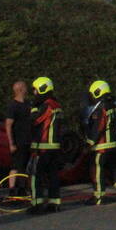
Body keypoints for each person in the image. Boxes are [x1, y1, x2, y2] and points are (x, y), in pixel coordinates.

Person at [83, 80, 116, 204]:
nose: (92, 97)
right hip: (112, 144)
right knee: (111, 167)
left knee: (97, 169)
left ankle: (98, 196)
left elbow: (98, 127)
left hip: (102, 145)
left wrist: (89, 143)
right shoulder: (112, 106)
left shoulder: (102, 108)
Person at [27, 77, 64, 213]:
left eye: (36, 90)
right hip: (55, 147)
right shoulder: (57, 105)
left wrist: (33, 108)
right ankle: (54, 203)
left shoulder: (47, 106)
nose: (34, 93)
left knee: (35, 176)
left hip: (43, 147)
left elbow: (35, 120)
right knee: (53, 176)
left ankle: (37, 204)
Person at [4, 80, 31, 193]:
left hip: (28, 140)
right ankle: (14, 189)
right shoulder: (13, 106)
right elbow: (8, 125)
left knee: (25, 165)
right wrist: (11, 143)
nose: (27, 89)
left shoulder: (28, 104)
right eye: (25, 87)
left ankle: (24, 187)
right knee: (16, 166)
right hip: (18, 141)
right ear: (20, 90)